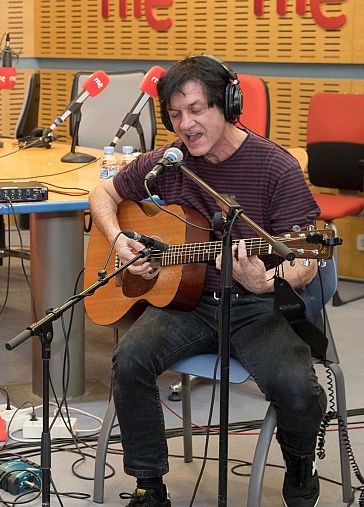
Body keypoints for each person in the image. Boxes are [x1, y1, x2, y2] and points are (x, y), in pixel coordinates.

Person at [88, 55, 324, 507]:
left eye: (196, 110)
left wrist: (265, 280)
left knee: (295, 387)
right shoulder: (168, 163)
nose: (186, 124)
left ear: (227, 105)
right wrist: (119, 241)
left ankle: (300, 467)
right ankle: (149, 485)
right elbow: (104, 192)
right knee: (131, 359)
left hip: (258, 307)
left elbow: (307, 261)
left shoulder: (276, 167)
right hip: (191, 305)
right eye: (176, 115)